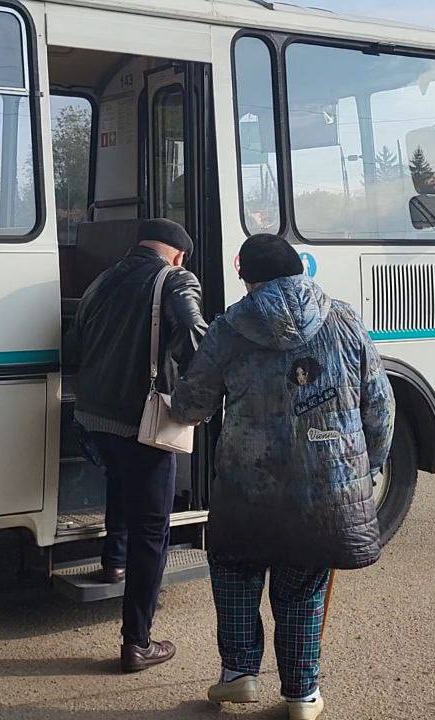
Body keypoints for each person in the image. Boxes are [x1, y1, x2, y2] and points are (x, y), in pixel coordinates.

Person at [170, 233, 395, 720]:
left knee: (235, 570)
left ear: (248, 279)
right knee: (302, 586)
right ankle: (302, 695)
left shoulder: (229, 328)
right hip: (326, 488)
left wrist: (177, 401)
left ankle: (238, 675)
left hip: (246, 487)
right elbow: (379, 405)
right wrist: (368, 466)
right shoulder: (344, 319)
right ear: (299, 271)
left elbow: (191, 406)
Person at [66, 217, 207, 672]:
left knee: (119, 483)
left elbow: (74, 347)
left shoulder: (101, 281)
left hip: (92, 416)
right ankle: (137, 642)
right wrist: (203, 391)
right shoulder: (176, 280)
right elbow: (194, 337)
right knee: (152, 529)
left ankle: (114, 561)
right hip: (142, 420)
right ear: (178, 254)